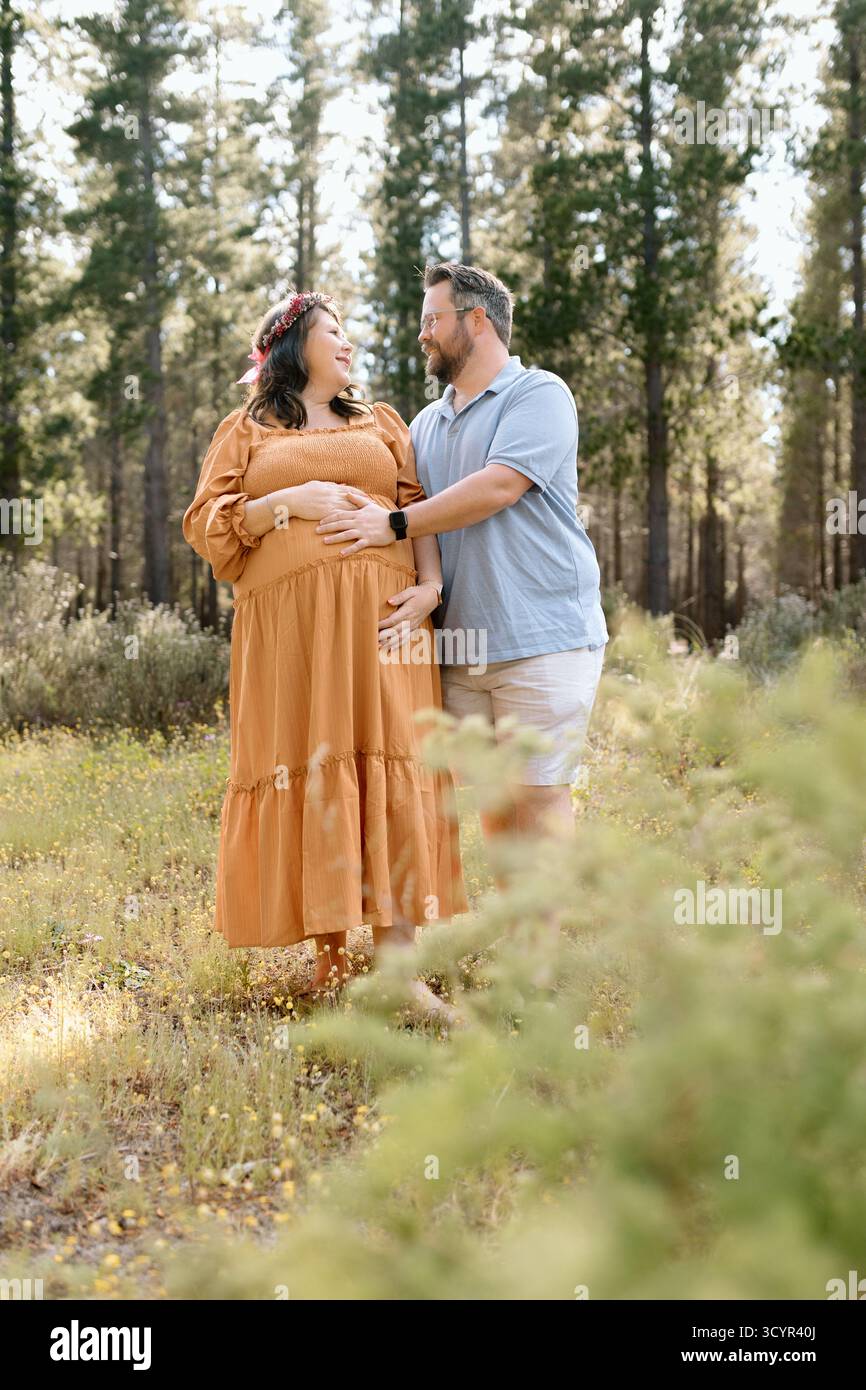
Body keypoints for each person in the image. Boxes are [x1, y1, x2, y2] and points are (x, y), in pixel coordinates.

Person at [182, 290, 468, 1016]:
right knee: (317, 763)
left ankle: (400, 973)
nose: (348, 343)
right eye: (333, 331)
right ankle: (333, 962)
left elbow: (415, 505)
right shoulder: (246, 431)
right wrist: (294, 500)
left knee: (391, 759)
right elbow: (209, 528)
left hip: (385, 624)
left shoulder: (381, 424)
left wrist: (431, 588)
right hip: (293, 638)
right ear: (291, 345)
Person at [315, 262, 608, 908]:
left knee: (539, 793)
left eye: (432, 320)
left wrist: (391, 523)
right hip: (460, 651)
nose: (422, 335)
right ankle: (516, 949)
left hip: (543, 637)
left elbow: (499, 487)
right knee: (500, 802)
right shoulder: (423, 426)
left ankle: (543, 963)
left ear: (478, 321)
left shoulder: (539, 395)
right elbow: (412, 520)